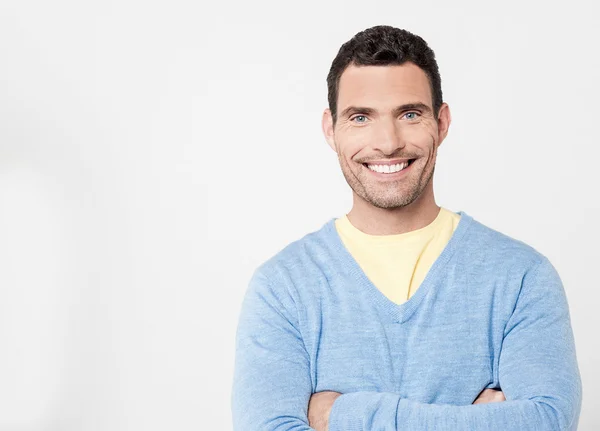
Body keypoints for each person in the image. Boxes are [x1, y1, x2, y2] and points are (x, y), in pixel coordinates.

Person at [231, 25, 582, 430]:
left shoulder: (522, 277)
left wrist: (340, 415)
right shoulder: (283, 287)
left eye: (410, 114)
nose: (387, 143)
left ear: (442, 122)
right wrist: (472, 420)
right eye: (360, 117)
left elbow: (547, 422)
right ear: (331, 129)